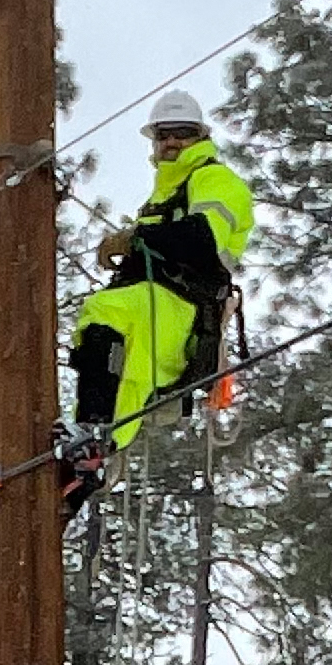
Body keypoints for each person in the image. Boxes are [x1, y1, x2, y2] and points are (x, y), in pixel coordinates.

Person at [65, 84, 252, 516]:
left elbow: (202, 240)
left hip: (184, 307)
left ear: (200, 137)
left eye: (181, 133)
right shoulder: (164, 195)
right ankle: (90, 455)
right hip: (158, 304)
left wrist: (135, 238)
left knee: (107, 317)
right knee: (116, 358)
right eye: (164, 134)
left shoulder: (214, 180)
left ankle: (95, 438)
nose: (171, 142)